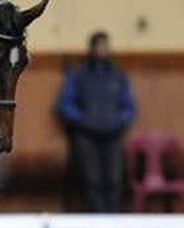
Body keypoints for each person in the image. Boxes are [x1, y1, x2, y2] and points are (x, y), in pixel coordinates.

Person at [57, 31, 136, 212]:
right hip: (85, 136)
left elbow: (129, 106)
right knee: (92, 180)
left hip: (114, 134)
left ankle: (113, 225)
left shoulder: (118, 75)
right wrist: (84, 120)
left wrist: (119, 120)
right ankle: (99, 223)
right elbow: (65, 104)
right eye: (100, 46)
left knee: (115, 179)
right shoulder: (77, 75)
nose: (104, 50)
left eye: (106, 46)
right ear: (92, 48)